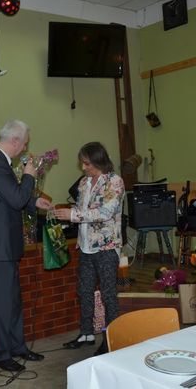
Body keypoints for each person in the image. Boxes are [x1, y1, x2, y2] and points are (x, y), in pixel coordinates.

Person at [0, 120, 52, 373]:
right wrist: (29, 175)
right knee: (0, 304)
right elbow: (16, 198)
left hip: (4, 246)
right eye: (25, 143)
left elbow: (7, 196)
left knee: (12, 301)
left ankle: (17, 346)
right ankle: (0, 354)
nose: (25, 148)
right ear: (15, 141)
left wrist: (34, 201)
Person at [54, 141, 124, 356]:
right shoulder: (84, 183)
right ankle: (86, 333)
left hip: (106, 247)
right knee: (84, 291)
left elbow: (105, 212)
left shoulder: (114, 182)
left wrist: (73, 215)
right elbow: (82, 209)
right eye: (82, 163)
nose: (83, 168)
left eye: (87, 163)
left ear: (98, 161)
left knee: (108, 295)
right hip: (85, 247)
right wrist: (62, 211)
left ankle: (110, 339)